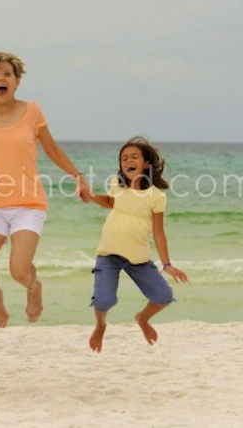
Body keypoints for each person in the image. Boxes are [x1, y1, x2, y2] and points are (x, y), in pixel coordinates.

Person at [0, 52, 91, 328]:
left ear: (16, 81)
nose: (1, 78)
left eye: (7, 74)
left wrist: (78, 176)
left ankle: (33, 287)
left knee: (19, 271)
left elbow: (51, 149)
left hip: (28, 205)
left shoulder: (32, 111)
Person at [87, 137, 188, 353]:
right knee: (104, 299)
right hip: (109, 254)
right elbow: (110, 202)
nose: (128, 161)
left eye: (134, 157)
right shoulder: (117, 185)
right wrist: (91, 196)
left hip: (138, 259)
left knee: (164, 297)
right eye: (124, 158)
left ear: (146, 164)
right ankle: (100, 324)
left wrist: (167, 264)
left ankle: (143, 319)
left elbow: (159, 232)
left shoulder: (156, 196)